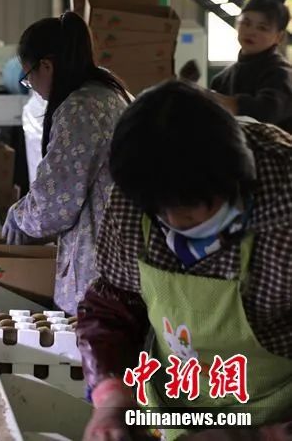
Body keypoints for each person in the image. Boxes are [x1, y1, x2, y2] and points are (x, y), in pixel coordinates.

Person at [78, 81, 292, 440]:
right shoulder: (137, 197)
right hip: (178, 410)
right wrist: (111, 399)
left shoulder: (284, 199)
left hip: (275, 413)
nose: (178, 222)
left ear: (234, 180)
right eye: (163, 211)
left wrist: (257, 435)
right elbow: (114, 305)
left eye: (191, 207)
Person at [2, 12, 130, 314]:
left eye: (28, 77)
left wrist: (19, 216)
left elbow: (53, 205)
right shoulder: (110, 93)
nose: (32, 85)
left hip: (101, 267)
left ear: (46, 66)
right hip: (123, 256)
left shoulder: (80, 109)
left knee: (93, 340)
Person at [211, 0, 292, 131]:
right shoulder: (221, 79)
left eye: (262, 28)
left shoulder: (281, 74)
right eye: (246, 23)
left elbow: (267, 111)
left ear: (279, 37)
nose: (251, 32)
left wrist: (229, 103)